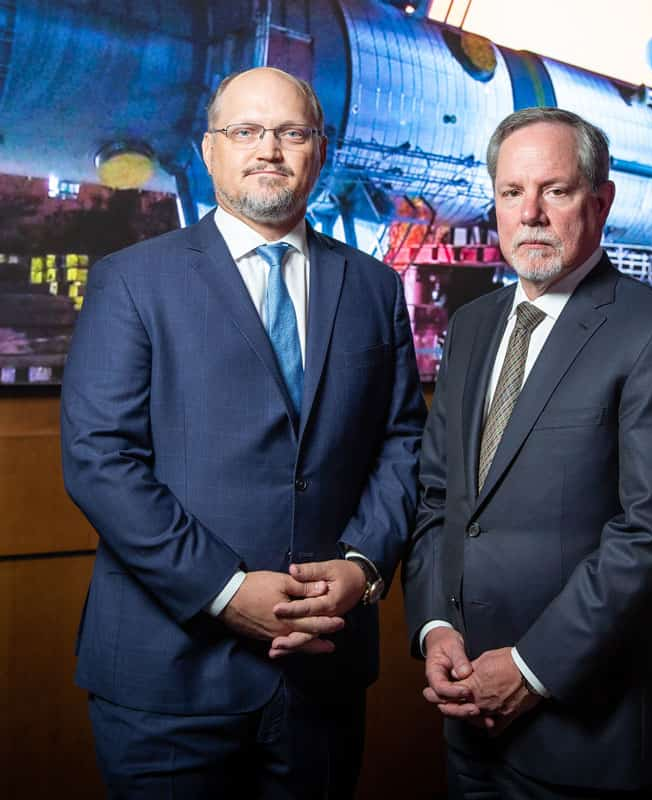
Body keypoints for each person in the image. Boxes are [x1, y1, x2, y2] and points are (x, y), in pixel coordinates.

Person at [61, 67, 426, 799]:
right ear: (209, 151)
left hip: (323, 669)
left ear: (318, 151)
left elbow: (403, 441)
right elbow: (101, 459)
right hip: (168, 677)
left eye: (292, 133)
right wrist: (225, 591)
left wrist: (361, 566)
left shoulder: (374, 287)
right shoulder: (132, 281)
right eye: (246, 132)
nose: (270, 150)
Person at [403, 107, 652, 798]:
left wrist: (530, 667)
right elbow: (439, 496)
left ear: (601, 201)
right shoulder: (473, 326)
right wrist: (434, 627)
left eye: (557, 190)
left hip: (588, 731)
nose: (531, 214)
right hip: (465, 714)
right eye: (512, 193)